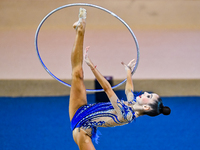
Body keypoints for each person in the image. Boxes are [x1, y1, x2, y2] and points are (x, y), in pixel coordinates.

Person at [69, 8, 171, 150]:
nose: (146, 93)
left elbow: (107, 89)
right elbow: (129, 89)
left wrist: (91, 65)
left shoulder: (126, 114)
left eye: (149, 96)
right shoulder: (131, 103)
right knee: (78, 73)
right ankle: (80, 29)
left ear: (146, 107)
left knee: (81, 70)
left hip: (82, 131)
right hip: (80, 110)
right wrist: (128, 72)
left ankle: (81, 30)